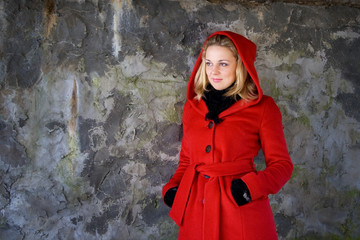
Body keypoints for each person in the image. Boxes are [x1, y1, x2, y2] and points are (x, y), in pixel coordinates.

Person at [162, 31, 293, 240]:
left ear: (240, 65)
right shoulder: (192, 107)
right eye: (208, 63)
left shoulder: (263, 108)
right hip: (196, 210)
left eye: (223, 64)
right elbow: (187, 160)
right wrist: (173, 188)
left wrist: (249, 188)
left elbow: (282, 165)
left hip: (240, 211)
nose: (214, 71)